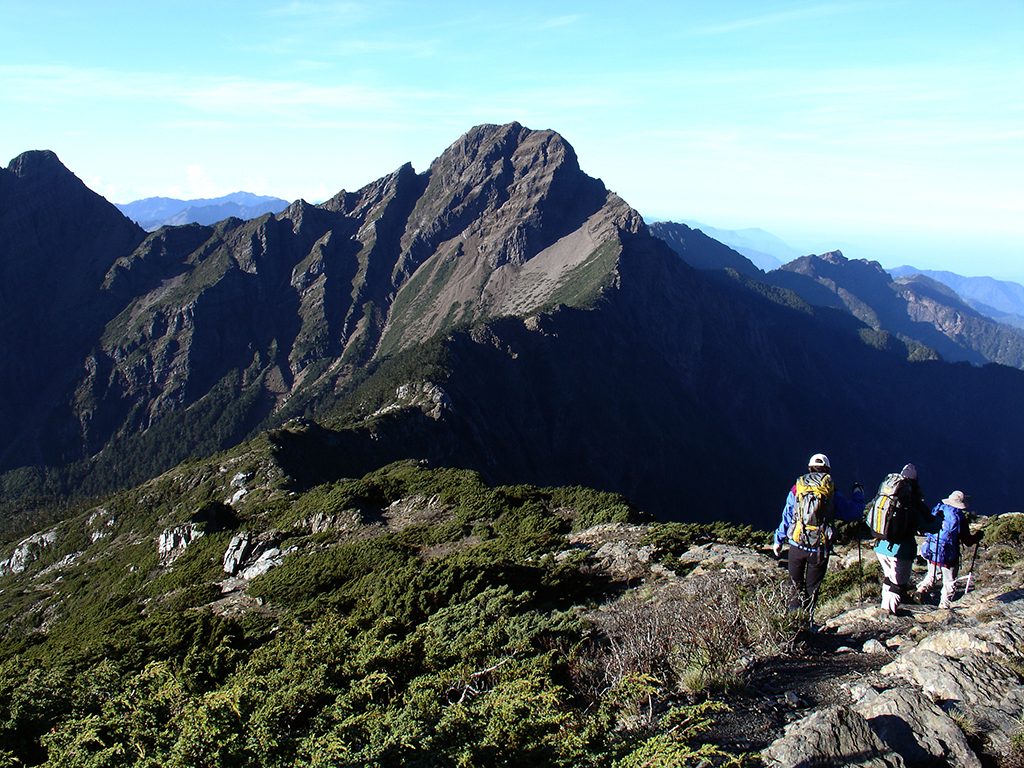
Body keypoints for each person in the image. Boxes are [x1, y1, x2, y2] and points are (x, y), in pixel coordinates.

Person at [772, 453, 864, 628]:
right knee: (811, 588)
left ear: (809, 468)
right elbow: (854, 512)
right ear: (827, 471)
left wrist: (778, 539)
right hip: (819, 549)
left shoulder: (797, 488)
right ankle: (807, 625)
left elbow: (788, 514)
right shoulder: (830, 491)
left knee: (795, 587)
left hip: (796, 545)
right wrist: (858, 494)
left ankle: (793, 626)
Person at [872, 463, 932, 614]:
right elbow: (929, 524)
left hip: (881, 545)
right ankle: (887, 613)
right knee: (898, 584)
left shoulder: (887, 493)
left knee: (889, 577)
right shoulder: (911, 500)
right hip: (900, 550)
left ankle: (884, 606)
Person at [916, 490, 983, 609]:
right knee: (949, 581)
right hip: (948, 556)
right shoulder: (959, 518)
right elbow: (967, 541)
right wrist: (977, 536)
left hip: (931, 549)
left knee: (932, 574)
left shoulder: (939, 509)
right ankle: (944, 606)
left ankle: (920, 591)